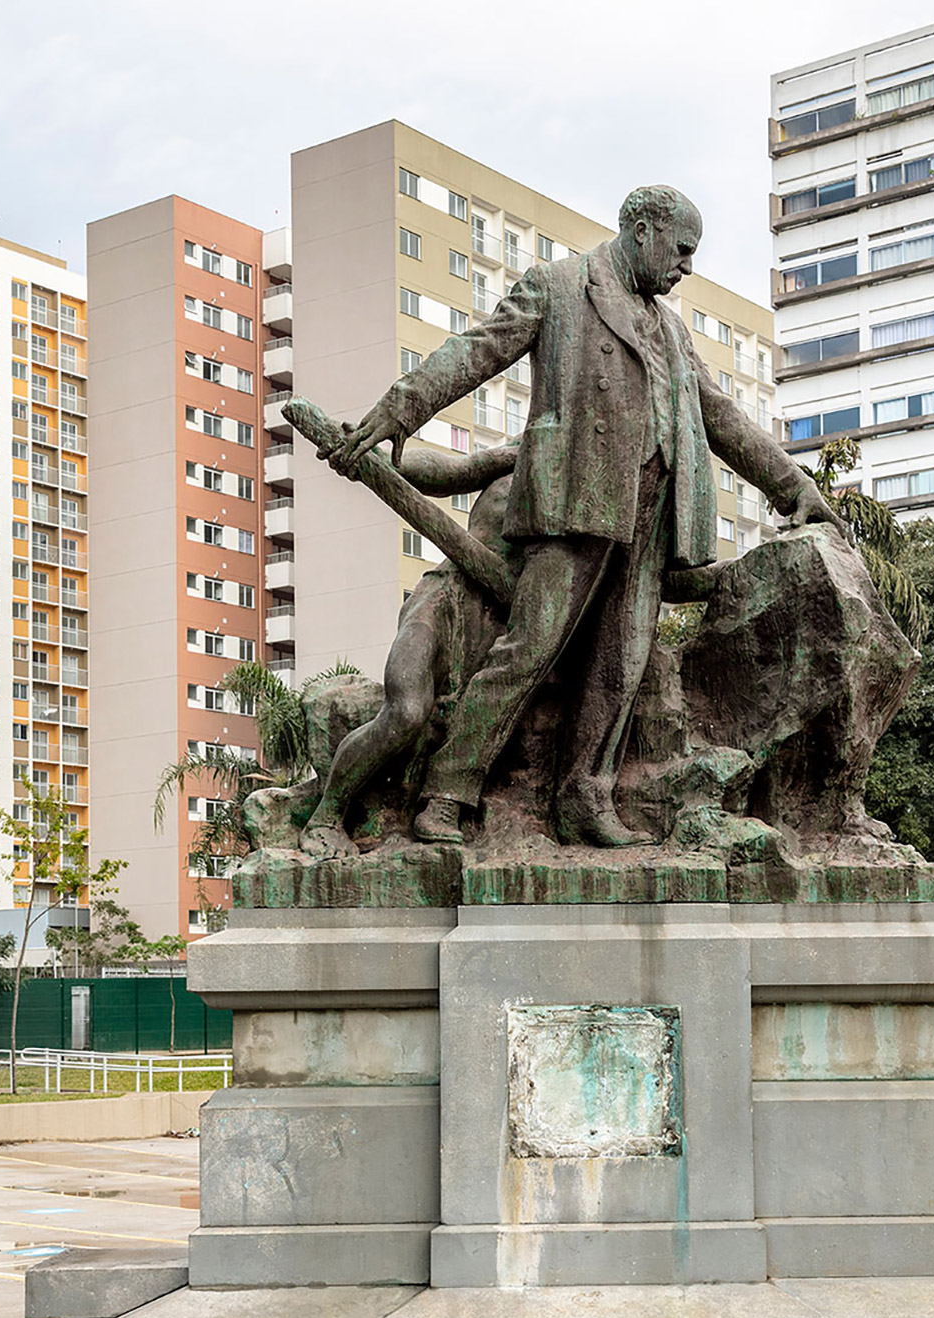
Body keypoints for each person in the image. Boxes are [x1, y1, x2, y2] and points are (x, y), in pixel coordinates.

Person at [330, 185, 843, 848]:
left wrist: (790, 486)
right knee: (529, 652)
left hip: (651, 520)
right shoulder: (558, 286)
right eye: (682, 250)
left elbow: (721, 417)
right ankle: (446, 794)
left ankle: (585, 798)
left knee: (619, 668)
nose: (687, 266)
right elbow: (474, 352)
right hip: (576, 503)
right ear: (641, 230)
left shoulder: (673, 331)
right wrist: (400, 410)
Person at [299, 444, 520, 859]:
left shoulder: (596, 491)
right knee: (406, 712)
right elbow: (452, 470)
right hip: (442, 596)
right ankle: (326, 816)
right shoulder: (527, 451)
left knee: (450, 719)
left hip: (498, 621)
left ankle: (442, 807)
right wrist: (376, 455)